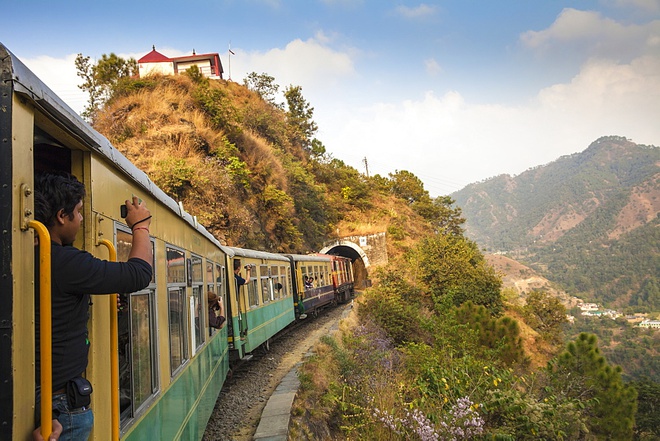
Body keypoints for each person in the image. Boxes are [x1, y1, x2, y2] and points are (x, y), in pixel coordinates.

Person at [33, 172, 153, 441]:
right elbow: (139, 274)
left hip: (44, 400)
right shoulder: (64, 262)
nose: (82, 219)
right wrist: (141, 226)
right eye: (78, 212)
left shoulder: (27, 256)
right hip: (63, 407)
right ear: (62, 216)